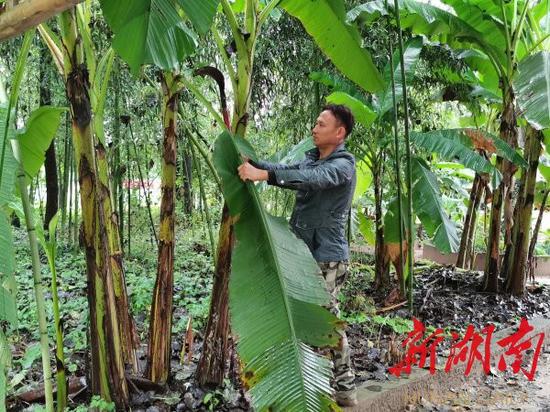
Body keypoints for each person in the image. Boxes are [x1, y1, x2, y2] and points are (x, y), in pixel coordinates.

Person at [237, 104, 358, 407]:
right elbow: (286, 169)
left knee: (326, 323)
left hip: (327, 257)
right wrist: (254, 164)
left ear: (339, 132)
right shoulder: (312, 159)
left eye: (321, 124)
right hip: (303, 255)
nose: (314, 129)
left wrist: (262, 174)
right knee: (303, 322)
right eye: (315, 123)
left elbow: (312, 179)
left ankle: (343, 387)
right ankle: (312, 387)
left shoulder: (343, 165)